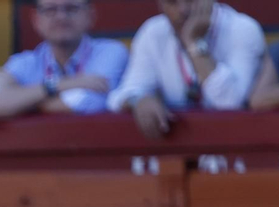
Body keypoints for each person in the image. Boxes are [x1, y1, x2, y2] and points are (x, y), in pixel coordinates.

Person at [107, 0, 264, 137]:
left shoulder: (243, 29)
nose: (183, 9)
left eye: (190, 0)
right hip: (177, 146)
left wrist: (194, 42)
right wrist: (139, 100)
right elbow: (121, 95)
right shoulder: (153, 32)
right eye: (172, 2)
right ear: (160, 4)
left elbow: (230, 104)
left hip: (235, 146)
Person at [0, 0, 128, 121]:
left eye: (71, 8)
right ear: (36, 20)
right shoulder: (24, 63)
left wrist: (18, 102)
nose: (61, 17)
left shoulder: (111, 52)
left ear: (90, 15)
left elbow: (87, 102)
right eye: (50, 9)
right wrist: (59, 86)